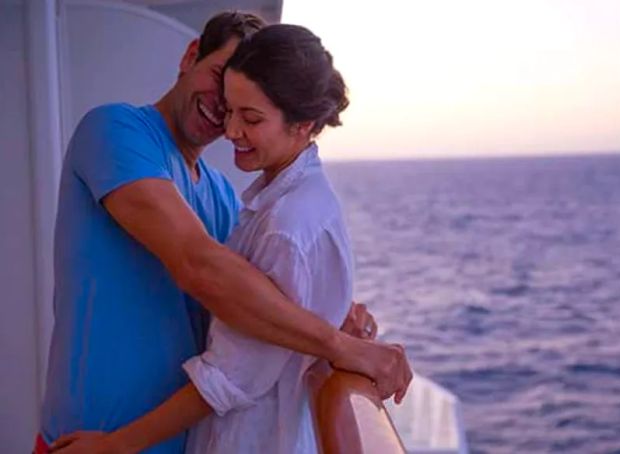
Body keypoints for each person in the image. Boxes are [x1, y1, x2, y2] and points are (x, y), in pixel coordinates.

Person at [39, 11, 411, 454]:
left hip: (174, 444)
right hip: (90, 443)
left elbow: (259, 291)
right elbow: (201, 266)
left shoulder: (225, 197)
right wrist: (337, 341)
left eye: (240, 105)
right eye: (219, 80)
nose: (223, 112)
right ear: (191, 55)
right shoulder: (115, 131)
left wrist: (330, 304)